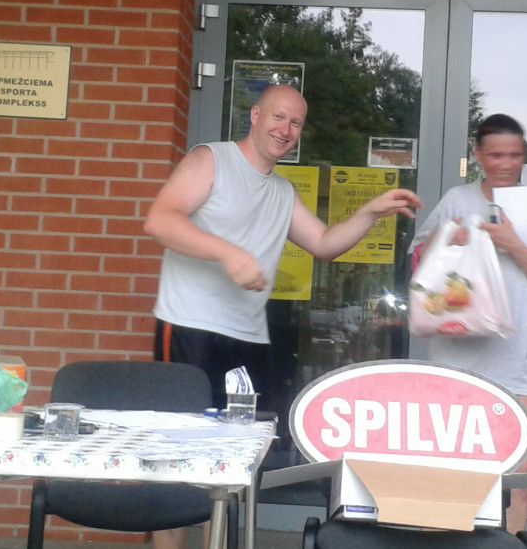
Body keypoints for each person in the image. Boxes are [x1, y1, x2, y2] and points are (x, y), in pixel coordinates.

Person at [143, 83, 423, 549]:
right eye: (278, 117)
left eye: (295, 123)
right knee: (177, 459)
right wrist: (228, 253)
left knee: (230, 464)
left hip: (247, 338)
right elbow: (161, 220)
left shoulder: (281, 190)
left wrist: (371, 211)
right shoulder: (210, 159)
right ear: (255, 116)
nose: (286, 129)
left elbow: (324, 243)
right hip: (190, 326)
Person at [409, 113, 527, 534]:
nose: (506, 164)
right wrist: (445, 240)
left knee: (516, 481)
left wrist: (514, 245)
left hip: (517, 362)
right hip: (455, 360)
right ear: (478, 155)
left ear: (525, 156)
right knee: (447, 472)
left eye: (515, 155)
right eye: (497, 154)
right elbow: (417, 268)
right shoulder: (456, 199)